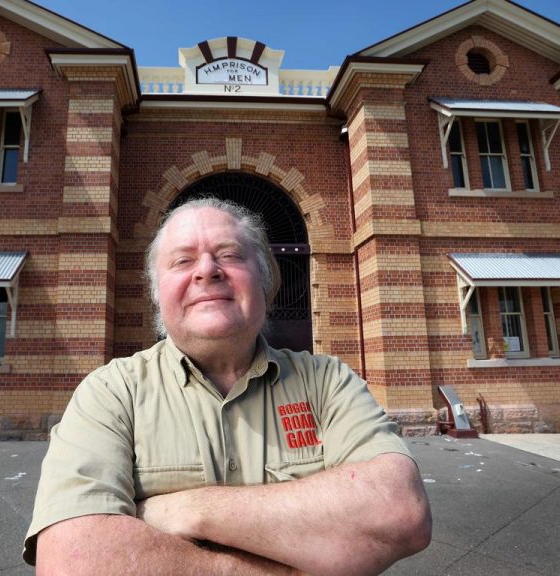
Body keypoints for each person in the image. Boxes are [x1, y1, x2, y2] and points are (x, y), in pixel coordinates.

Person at [24, 197, 432, 575]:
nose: (207, 270)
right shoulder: (111, 392)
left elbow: (400, 512)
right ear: (157, 293)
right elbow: (71, 561)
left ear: (264, 280)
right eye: (183, 261)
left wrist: (187, 509)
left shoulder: (328, 382)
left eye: (230, 255)